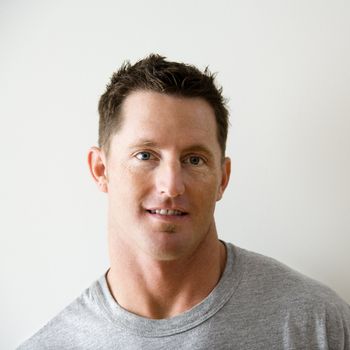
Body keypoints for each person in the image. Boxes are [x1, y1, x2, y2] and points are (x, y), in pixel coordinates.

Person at [18, 54, 350, 349]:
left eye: (194, 159)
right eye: (146, 155)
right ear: (101, 169)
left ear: (223, 178)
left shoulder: (319, 325)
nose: (172, 186)